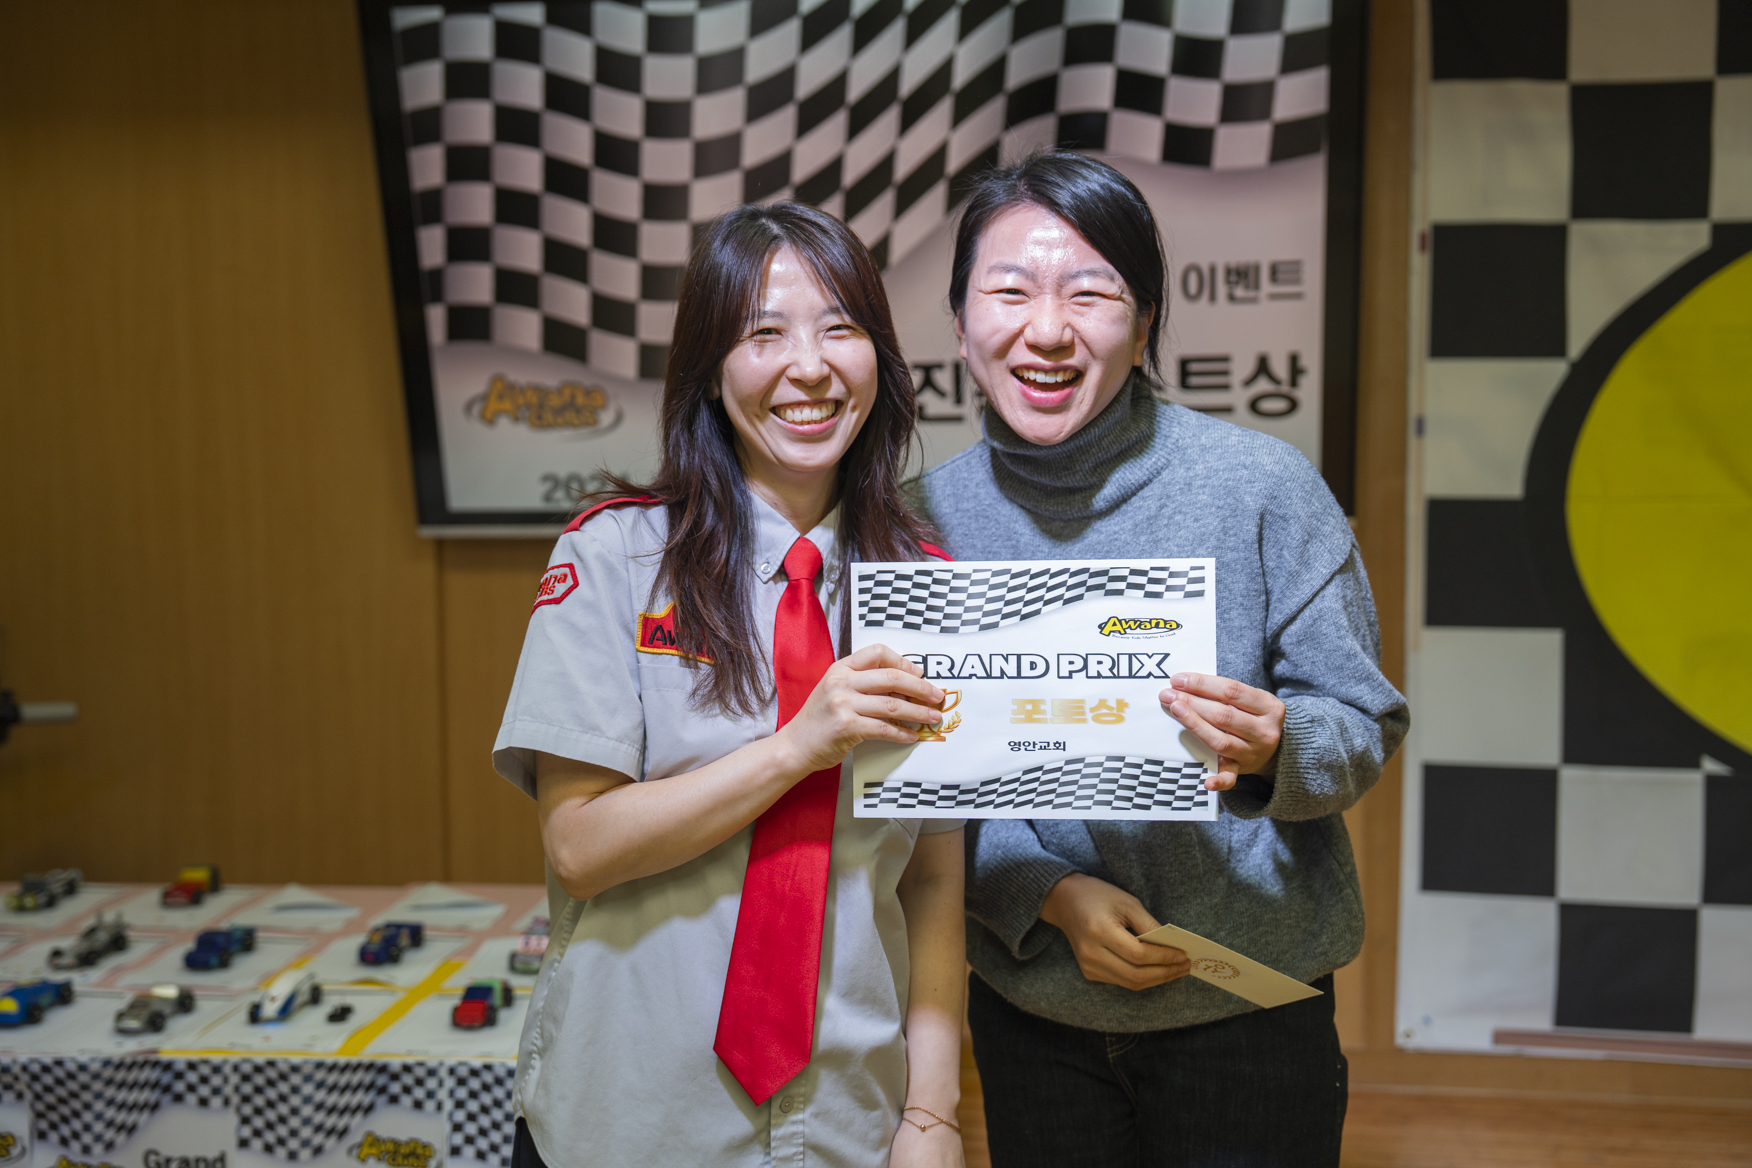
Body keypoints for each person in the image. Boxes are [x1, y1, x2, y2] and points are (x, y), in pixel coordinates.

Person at [911, 150, 1409, 1166]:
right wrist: (1045, 892)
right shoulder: (919, 524)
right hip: (1032, 1009)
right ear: (960, 325)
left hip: (1247, 1004)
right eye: (1009, 291)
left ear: (1143, 326)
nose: (1048, 329)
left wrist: (1279, 745)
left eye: (1090, 294)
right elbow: (920, 788)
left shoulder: (1262, 487)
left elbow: (1363, 724)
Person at [493, 203, 967, 1168]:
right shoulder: (618, 557)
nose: (811, 367)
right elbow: (579, 848)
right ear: (709, 368)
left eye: (841, 328)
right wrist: (796, 749)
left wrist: (934, 1113)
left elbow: (932, 879)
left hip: (846, 1122)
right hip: (628, 1121)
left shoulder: (925, 585)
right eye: (764, 334)